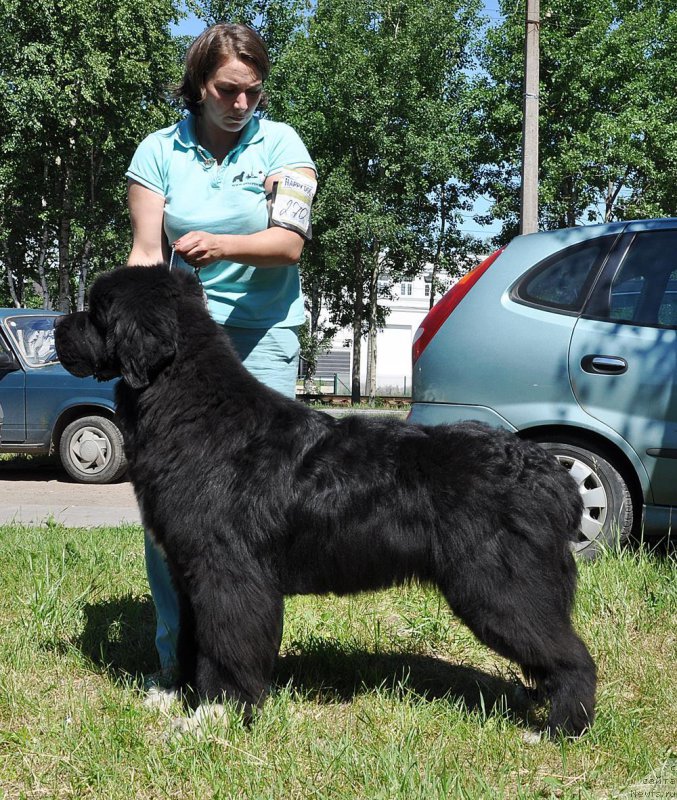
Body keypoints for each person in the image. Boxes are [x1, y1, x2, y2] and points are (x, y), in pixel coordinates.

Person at [125, 22, 317, 678]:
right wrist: (134, 327)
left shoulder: (283, 145)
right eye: (226, 91)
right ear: (197, 86)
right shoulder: (158, 153)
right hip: (185, 347)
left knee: (258, 509)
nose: (241, 105)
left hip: (263, 338)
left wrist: (222, 243)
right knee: (171, 499)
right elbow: (148, 253)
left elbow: (289, 243)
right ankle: (173, 660)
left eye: (252, 93)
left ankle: (243, 664)